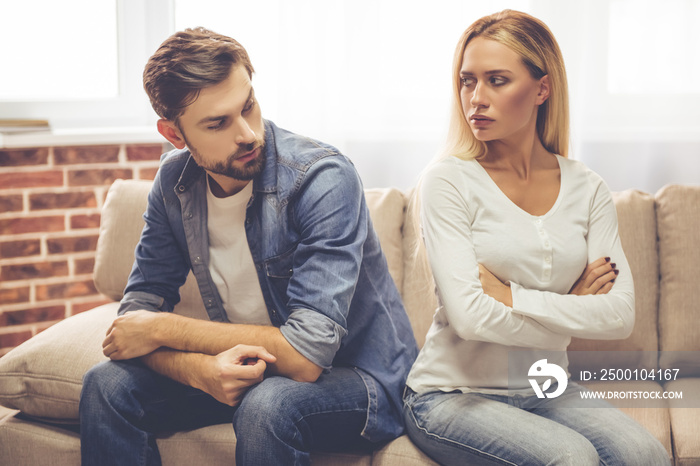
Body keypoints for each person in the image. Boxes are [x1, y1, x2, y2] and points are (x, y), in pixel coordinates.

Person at [79, 27, 418, 466]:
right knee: (104, 386)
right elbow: (133, 319)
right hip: (248, 369)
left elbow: (306, 356)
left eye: (249, 106)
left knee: (269, 405)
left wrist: (163, 330)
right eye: (218, 123)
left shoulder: (322, 178)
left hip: (361, 380)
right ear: (174, 134)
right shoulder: (173, 183)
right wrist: (198, 371)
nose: (247, 134)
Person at [402, 10, 670, 466]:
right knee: (570, 458)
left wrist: (509, 295)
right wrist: (573, 306)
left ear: (541, 89)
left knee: (646, 454)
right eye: (468, 81)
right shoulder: (447, 180)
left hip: (546, 385)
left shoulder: (587, 188)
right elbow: (470, 320)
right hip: (449, 395)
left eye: (497, 80)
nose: (476, 99)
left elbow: (620, 316)